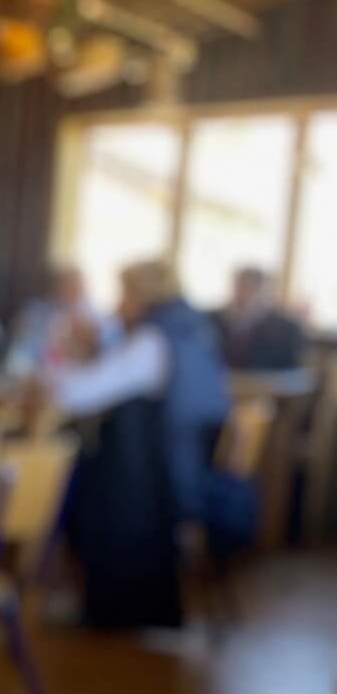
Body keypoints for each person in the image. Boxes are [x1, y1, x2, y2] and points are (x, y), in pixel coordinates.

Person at [48, 258, 232, 630]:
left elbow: (75, 394)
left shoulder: (152, 341)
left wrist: (59, 365)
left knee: (81, 477)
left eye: (124, 293)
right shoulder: (192, 330)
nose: (119, 304)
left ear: (142, 295)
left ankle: (110, 612)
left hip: (148, 480)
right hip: (182, 464)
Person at [11, 265, 111, 373]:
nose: (70, 290)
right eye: (66, 284)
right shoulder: (39, 312)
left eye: (75, 285)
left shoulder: (95, 316)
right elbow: (23, 354)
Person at [211, 266, 306, 371]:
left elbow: (292, 371)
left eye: (251, 287)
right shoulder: (212, 320)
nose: (244, 292)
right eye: (240, 286)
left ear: (265, 291)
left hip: (265, 380)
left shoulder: (287, 329)